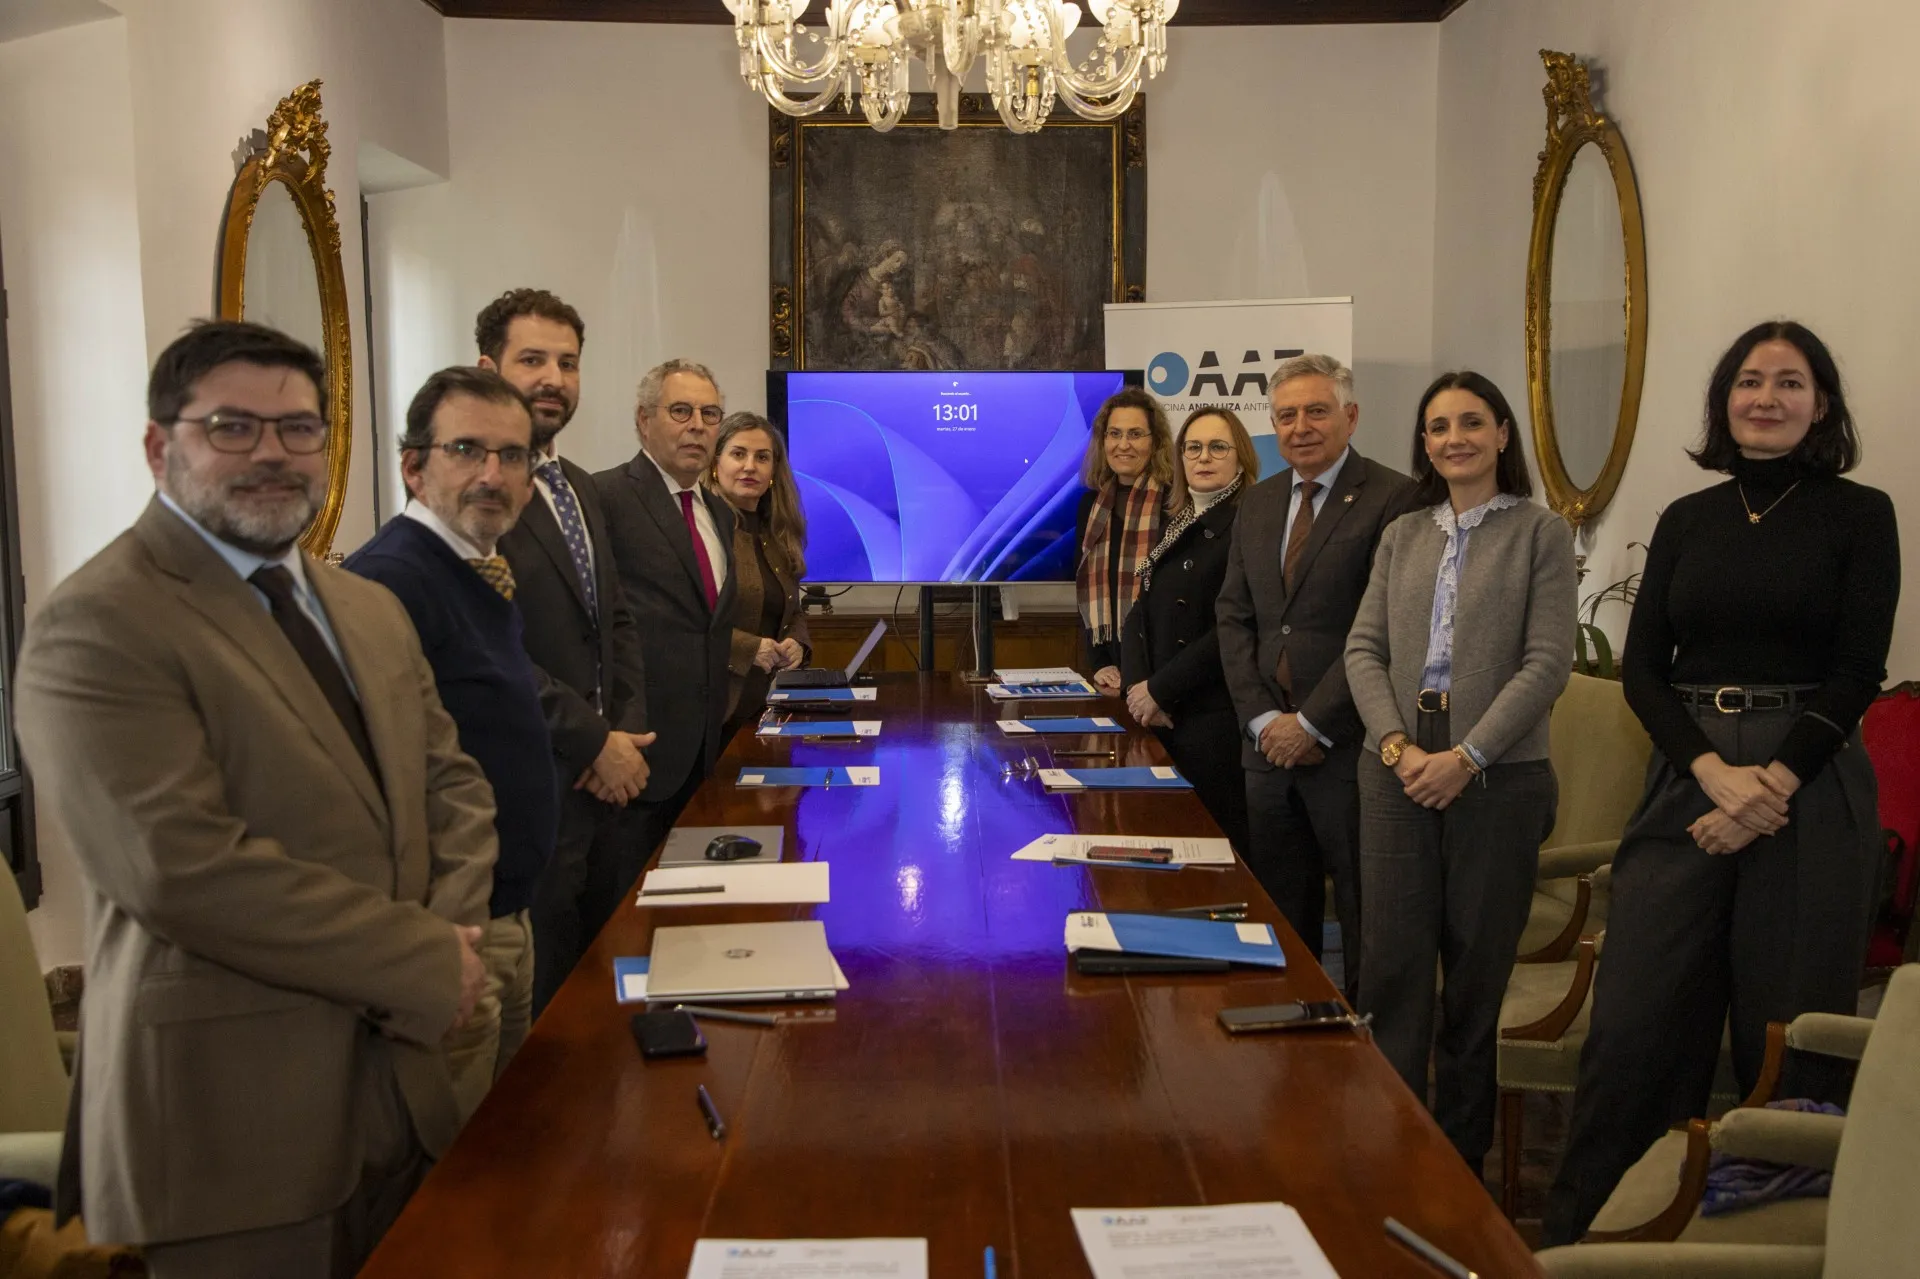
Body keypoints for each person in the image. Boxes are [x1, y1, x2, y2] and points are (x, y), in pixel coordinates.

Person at [14, 320, 496, 1279]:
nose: (273, 453)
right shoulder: (96, 621)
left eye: (299, 429)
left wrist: (455, 939)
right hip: (228, 1130)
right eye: (232, 427)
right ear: (161, 445)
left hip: (410, 1087)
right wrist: (424, 961)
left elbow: (453, 782)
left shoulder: (363, 602)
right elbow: (182, 868)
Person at [1544, 321, 1900, 1244]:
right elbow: (1643, 671)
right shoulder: (1688, 518)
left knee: (1790, 1033)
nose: (1767, 398)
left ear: (1822, 404)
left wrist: (1770, 784)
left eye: (1790, 382)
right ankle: (1590, 1239)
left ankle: (1755, 1246)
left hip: (1809, 779)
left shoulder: (1862, 514)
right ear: (1724, 400)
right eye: (1749, 381)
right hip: (1688, 766)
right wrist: (1715, 777)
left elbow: (1860, 667)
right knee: (1635, 1025)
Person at [1344, 370, 1575, 1178]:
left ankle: (1459, 1161)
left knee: (1477, 979)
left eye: (1472, 422)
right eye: (1438, 427)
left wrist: (1467, 756)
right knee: (1393, 968)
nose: (1454, 439)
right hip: (1397, 765)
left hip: (1498, 772)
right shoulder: (1403, 533)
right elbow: (1362, 649)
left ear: (1503, 433)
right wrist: (1401, 748)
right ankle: (1392, 1143)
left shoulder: (1542, 533)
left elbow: (1548, 662)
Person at [345, 366, 566, 1121]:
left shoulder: (477, 568)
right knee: (458, 1175)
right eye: (467, 450)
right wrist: (446, 940)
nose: (492, 475)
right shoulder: (391, 583)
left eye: (513, 457)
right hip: (458, 937)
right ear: (414, 465)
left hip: (506, 914)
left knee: (509, 1146)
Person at [1216, 354, 1419, 1001]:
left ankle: (1363, 1056)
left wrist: (1309, 723)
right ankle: (1286, 1036)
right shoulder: (1258, 501)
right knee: (1278, 911)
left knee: (1365, 912)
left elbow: (1381, 627)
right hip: (1265, 750)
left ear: (1350, 416)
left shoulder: (1395, 498)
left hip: (1346, 746)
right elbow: (1234, 615)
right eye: (1286, 415)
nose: (1300, 426)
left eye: (1316, 410)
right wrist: (1262, 719)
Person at [475, 288, 651, 1014]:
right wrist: (592, 742)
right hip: (531, 793)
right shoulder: (477, 491)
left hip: (609, 791)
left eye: (568, 362)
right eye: (533, 359)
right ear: (488, 367)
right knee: (542, 1017)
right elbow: (491, 647)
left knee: (602, 993)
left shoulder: (578, 484)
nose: (553, 377)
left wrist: (627, 737)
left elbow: (615, 621)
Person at [594, 359, 737, 871]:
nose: (698, 425)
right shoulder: (603, 497)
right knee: (626, 933)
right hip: (631, 760)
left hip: (704, 757)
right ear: (643, 420)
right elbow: (591, 629)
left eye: (710, 413)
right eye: (681, 411)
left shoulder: (720, 513)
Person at [1121, 408, 1258, 852]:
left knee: (1216, 851)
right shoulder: (1177, 520)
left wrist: (1159, 689)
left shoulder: (1248, 524)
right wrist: (1139, 689)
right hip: (1162, 713)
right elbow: (1138, 613)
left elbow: (1232, 629)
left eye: (1218, 447)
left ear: (1241, 458)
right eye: (1193, 447)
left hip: (1212, 717)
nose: (1203, 457)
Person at [707, 411, 812, 742]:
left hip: (767, 710)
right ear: (715, 464)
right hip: (711, 711)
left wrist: (799, 643)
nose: (750, 466)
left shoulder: (778, 534)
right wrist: (748, 648)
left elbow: (790, 608)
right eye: (738, 454)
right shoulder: (700, 532)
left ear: (772, 473)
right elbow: (684, 621)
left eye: (762, 457)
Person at [1075, 387, 1175, 695]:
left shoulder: (1174, 502)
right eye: (1114, 433)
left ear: (1155, 441)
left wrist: (1152, 680)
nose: (1123, 445)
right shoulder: (1090, 506)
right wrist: (1100, 663)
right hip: (1110, 672)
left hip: (1162, 673)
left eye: (1135, 434)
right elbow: (1084, 588)